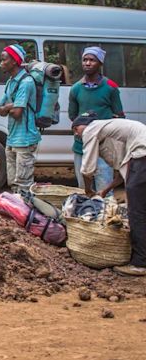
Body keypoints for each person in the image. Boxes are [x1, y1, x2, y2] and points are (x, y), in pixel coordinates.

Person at [72, 114, 146, 276]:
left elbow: (87, 169)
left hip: (142, 157)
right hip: (141, 158)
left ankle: (140, 263)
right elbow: (121, 172)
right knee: (141, 208)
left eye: (76, 129)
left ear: (85, 125)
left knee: (136, 212)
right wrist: (105, 190)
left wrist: (88, 191)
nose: (76, 134)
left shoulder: (92, 128)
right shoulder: (112, 134)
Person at [68, 46, 125, 191]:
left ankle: (104, 212)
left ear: (100, 63)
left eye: (92, 60)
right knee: (83, 189)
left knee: (104, 189)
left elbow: (120, 116)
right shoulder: (75, 89)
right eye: (85, 60)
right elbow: (72, 116)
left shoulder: (110, 87)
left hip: (103, 146)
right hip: (81, 145)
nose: (87, 63)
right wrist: (81, 128)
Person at [0, 44, 40, 194]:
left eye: (4, 59)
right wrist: (11, 106)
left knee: (23, 184)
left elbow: (17, 113)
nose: (1, 63)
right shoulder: (10, 82)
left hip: (25, 139)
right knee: (13, 183)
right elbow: (1, 110)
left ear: (14, 61)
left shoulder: (26, 82)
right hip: (12, 138)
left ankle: (26, 214)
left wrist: (8, 107)